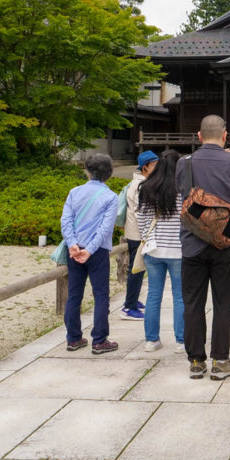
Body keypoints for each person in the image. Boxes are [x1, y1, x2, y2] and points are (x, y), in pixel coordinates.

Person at [177, 115, 230, 380]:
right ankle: (221, 360)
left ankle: (196, 361)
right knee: (224, 304)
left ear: (199, 136)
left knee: (192, 303)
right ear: (225, 136)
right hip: (225, 245)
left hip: (191, 245)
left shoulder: (183, 164)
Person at [60, 153, 120, 354]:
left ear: (87, 170)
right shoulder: (111, 197)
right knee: (101, 295)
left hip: (75, 251)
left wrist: (73, 244)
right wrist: (90, 250)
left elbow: (65, 221)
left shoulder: (74, 192)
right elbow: (105, 228)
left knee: (74, 295)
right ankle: (99, 340)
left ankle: (73, 338)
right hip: (97, 251)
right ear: (109, 174)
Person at [136, 150, 185, 353]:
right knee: (180, 296)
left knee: (153, 295)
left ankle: (151, 340)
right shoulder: (183, 189)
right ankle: (181, 341)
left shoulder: (146, 188)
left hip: (154, 250)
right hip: (178, 250)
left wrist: (149, 239)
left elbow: (141, 219)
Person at [120, 150, 158, 321]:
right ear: (145, 167)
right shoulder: (141, 185)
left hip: (133, 231)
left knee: (137, 268)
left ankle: (132, 300)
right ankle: (129, 307)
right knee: (136, 269)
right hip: (138, 233)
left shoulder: (136, 183)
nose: (158, 169)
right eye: (155, 165)